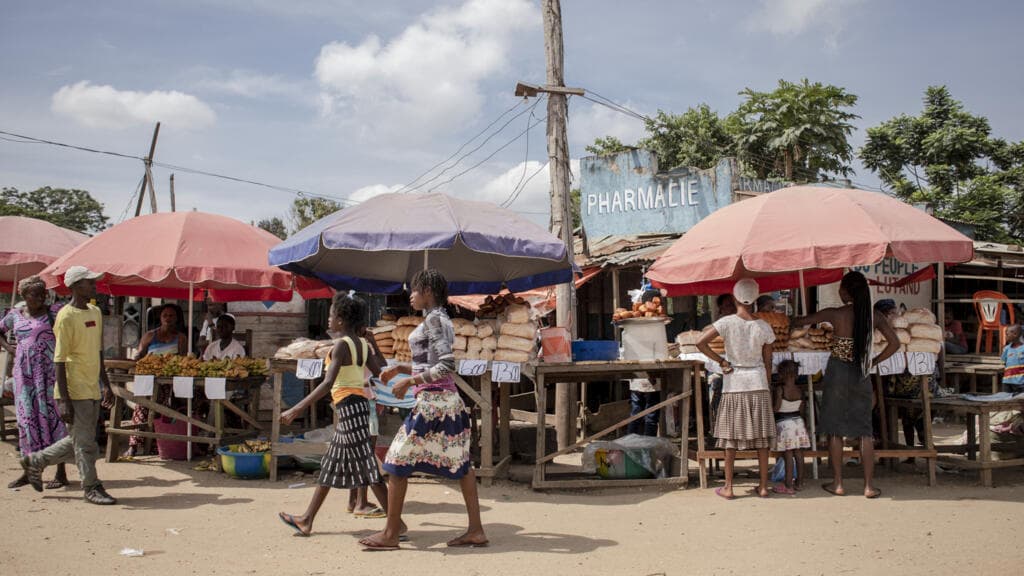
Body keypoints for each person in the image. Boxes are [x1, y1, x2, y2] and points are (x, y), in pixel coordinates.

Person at [360, 268, 487, 550]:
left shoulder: (435, 321)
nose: (411, 295)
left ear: (427, 291)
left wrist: (410, 382)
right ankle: (476, 530)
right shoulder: (436, 319)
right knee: (461, 465)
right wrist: (401, 369)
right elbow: (433, 363)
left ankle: (391, 533)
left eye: (415, 290)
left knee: (396, 462)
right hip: (443, 403)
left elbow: (446, 366)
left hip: (434, 404)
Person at [277, 293, 395, 537]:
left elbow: (328, 382)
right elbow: (380, 372)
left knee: (368, 467)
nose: (329, 319)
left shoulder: (342, 345)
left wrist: (296, 408)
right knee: (331, 465)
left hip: (350, 407)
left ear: (341, 320)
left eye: (332, 315)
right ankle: (307, 519)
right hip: (356, 406)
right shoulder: (362, 344)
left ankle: (397, 524)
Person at [793, 271, 900, 499]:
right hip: (862, 372)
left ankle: (838, 483)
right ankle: (869, 486)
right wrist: (874, 361)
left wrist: (791, 319)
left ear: (846, 292)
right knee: (865, 431)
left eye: (841, 289)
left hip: (838, 372)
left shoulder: (835, 313)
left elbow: (801, 321)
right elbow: (895, 343)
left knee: (835, 428)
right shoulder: (874, 316)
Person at [19, 266, 116, 505]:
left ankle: (36, 461)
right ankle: (91, 486)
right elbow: (59, 360)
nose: (93, 285)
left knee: (81, 438)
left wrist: (106, 385)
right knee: (86, 444)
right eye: (88, 282)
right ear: (75, 286)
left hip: (92, 385)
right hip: (74, 388)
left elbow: (98, 351)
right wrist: (63, 399)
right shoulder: (65, 316)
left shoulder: (95, 312)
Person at [697, 278, 776, 500]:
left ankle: (729, 487)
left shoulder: (726, 323)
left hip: (734, 384)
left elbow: (700, 342)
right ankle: (762, 487)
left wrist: (721, 362)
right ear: (755, 299)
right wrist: (767, 383)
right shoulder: (764, 326)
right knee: (762, 439)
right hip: (758, 383)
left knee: (730, 438)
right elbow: (768, 362)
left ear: (734, 297)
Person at [1, 276, 68, 489]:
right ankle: (29, 471)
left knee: (55, 419)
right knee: (27, 421)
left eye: (42, 293)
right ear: (24, 296)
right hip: (24, 376)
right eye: (34, 294)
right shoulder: (14, 316)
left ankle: (61, 473)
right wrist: (10, 348)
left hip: (49, 375)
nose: (40, 297)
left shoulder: (54, 312)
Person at [126, 303, 188, 456]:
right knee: (142, 405)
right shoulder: (149, 335)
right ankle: (134, 445)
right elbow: (139, 355)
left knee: (162, 405)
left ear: (176, 319)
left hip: (169, 381)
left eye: (171, 316)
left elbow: (183, 361)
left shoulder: (180, 338)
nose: (168, 318)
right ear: (160, 318)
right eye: (165, 315)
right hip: (147, 378)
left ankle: (156, 444)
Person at [772, 360, 810, 495]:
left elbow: (776, 408)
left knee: (788, 455)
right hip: (798, 423)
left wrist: (771, 411)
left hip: (784, 424)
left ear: (781, 375)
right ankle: (799, 483)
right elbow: (801, 410)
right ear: (797, 374)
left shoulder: (780, 390)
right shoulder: (800, 390)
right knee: (799, 454)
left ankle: (788, 485)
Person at [628, 290, 662, 436]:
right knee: (651, 414)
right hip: (649, 372)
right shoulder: (652, 321)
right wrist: (652, 372)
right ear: (652, 302)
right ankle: (648, 448)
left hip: (636, 371)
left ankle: (632, 443)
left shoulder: (634, 321)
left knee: (636, 411)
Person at [707, 293, 737, 423]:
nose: (732, 308)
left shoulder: (742, 322)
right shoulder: (718, 324)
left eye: (733, 305)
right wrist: (721, 361)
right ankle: (720, 420)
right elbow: (702, 339)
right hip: (721, 370)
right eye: (728, 306)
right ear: (721, 309)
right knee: (718, 383)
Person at [1001, 323, 1023, 394]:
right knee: (1006, 401)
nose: (1006, 336)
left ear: (1015, 334)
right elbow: (1004, 362)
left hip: (1021, 382)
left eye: (1007, 334)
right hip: (1007, 381)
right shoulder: (1006, 349)